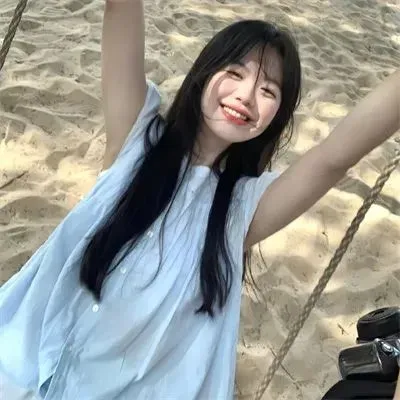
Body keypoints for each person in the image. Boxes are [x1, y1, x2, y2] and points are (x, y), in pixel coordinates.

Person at [0, 0, 399, 399]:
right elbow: (119, 10)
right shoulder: (136, 139)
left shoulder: (244, 209)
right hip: (19, 367)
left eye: (268, 90)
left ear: (275, 116)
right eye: (235, 73)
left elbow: (334, 156)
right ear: (205, 73)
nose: (246, 96)